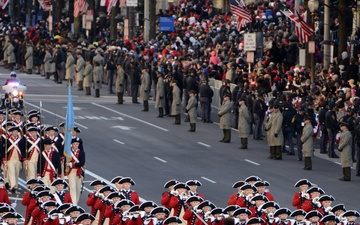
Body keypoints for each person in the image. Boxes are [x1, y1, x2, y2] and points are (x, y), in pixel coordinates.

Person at [1, 126, 25, 194]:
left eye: (16, 132)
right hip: (10, 159)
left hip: (18, 159)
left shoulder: (21, 140)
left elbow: (22, 150)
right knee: (12, 172)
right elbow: (3, 150)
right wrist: (4, 159)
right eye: (14, 131)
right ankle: (13, 186)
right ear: (11, 132)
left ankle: (15, 186)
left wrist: (24, 159)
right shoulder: (7, 140)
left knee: (17, 173)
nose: (15, 133)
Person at [66, 138, 85, 205]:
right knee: (72, 188)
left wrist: (72, 164)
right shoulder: (69, 152)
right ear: (72, 145)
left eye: (77, 144)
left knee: (77, 189)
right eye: (74, 144)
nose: (76, 145)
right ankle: (74, 204)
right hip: (71, 172)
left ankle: (75, 203)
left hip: (78, 172)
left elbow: (81, 163)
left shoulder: (81, 153)